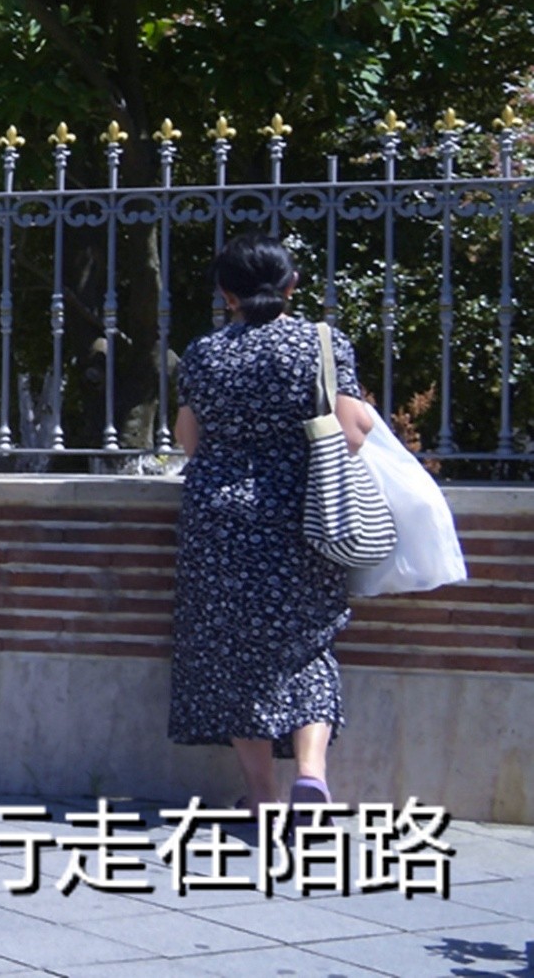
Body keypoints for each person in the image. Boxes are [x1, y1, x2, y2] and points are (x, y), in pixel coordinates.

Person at [169, 236, 380, 806]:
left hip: (219, 522)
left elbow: (189, 441)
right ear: (292, 285)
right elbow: (353, 431)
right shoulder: (321, 343)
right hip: (301, 515)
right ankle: (311, 776)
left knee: (233, 653)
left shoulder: (204, 353)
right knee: (307, 643)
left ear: (226, 294)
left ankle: (262, 798)